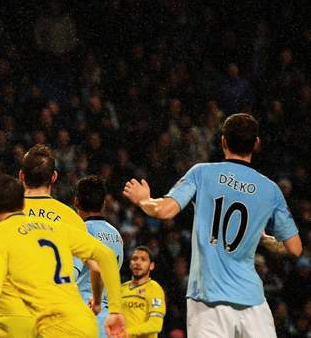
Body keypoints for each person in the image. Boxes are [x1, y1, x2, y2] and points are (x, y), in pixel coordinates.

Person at [123, 113, 302, 338]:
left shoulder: (202, 173)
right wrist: (265, 239)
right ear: (256, 144)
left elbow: (163, 210)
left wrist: (142, 199)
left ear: (223, 142)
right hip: (253, 303)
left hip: (207, 300)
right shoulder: (271, 190)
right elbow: (295, 248)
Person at [0, 174, 126, 338]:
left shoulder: (0, 234)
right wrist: (112, 308)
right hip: (89, 320)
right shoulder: (113, 234)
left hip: (57, 317)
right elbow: (106, 259)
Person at [0, 144, 86, 337]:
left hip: (10, 315)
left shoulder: (3, 212)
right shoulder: (72, 219)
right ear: (54, 177)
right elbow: (74, 274)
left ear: (21, 176)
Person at [73, 175, 124, 338]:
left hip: (81, 315)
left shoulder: (79, 232)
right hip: (106, 320)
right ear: (103, 203)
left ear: (76, 202)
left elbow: (70, 275)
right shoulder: (116, 235)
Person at [120, 246, 165, 338]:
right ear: (130, 264)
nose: (137, 262)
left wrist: (127, 333)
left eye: (143, 259)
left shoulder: (154, 289)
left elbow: (155, 324)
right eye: (134, 259)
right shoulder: (121, 289)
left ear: (151, 266)